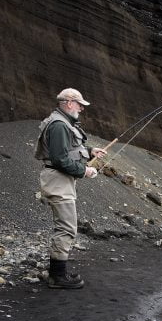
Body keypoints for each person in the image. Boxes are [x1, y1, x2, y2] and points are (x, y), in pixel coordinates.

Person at [34, 88, 107, 289]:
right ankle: (57, 277)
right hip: (58, 180)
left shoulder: (62, 122)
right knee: (66, 227)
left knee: (65, 226)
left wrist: (91, 151)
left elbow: (68, 150)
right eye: (79, 104)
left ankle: (56, 272)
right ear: (68, 102)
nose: (82, 108)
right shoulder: (59, 125)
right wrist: (85, 171)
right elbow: (60, 159)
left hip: (60, 180)